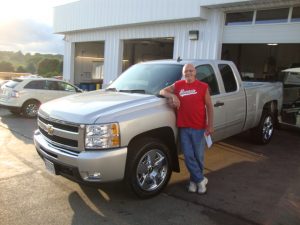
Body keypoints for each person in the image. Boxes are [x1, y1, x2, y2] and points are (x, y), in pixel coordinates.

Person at [159, 63, 214, 194]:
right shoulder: (178, 85)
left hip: (199, 128)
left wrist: (210, 125)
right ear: (183, 73)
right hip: (184, 127)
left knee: (198, 156)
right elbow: (162, 91)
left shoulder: (203, 87)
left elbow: (210, 107)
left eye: (190, 70)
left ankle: (194, 182)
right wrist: (173, 96)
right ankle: (201, 180)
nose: (188, 73)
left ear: (195, 72)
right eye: (186, 71)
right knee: (189, 156)